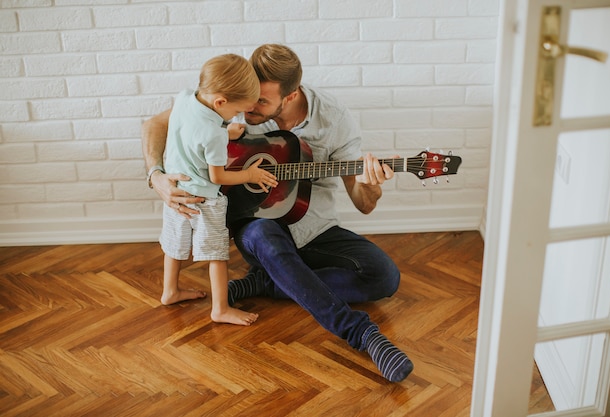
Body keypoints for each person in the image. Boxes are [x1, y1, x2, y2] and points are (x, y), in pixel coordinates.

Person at [142, 44, 414, 382]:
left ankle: (268, 282)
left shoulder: (334, 118)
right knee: (263, 238)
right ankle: (360, 333)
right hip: (257, 224)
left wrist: (372, 184)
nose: (249, 108)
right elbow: (155, 124)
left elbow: (363, 203)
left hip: (314, 226)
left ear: (290, 95)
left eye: (261, 102)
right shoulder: (232, 95)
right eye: (248, 98)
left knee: (384, 277)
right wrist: (156, 177)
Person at [156, 53, 278, 327]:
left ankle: (170, 291)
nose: (235, 116)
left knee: (175, 246)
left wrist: (225, 130)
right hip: (203, 199)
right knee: (216, 254)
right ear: (220, 102)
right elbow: (218, 176)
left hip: (176, 191)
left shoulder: (185, 96)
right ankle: (220, 309)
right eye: (234, 111)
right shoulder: (212, 136)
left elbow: (194, 128)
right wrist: (250, 173)